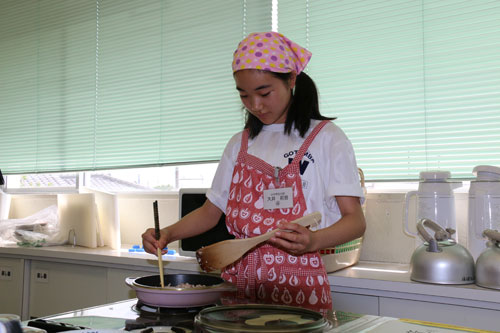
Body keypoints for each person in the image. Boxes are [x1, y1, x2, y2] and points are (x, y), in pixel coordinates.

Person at [142, 31, 366, 315]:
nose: (255, 105)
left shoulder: (326, 138)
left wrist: (313, 241)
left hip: (300, 285)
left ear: (291, 80)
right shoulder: (240, 144)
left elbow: (355, 220)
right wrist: (167, 234)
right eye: (244, 95)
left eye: (264, 93)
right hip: (238, 286)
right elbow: (211, 212)